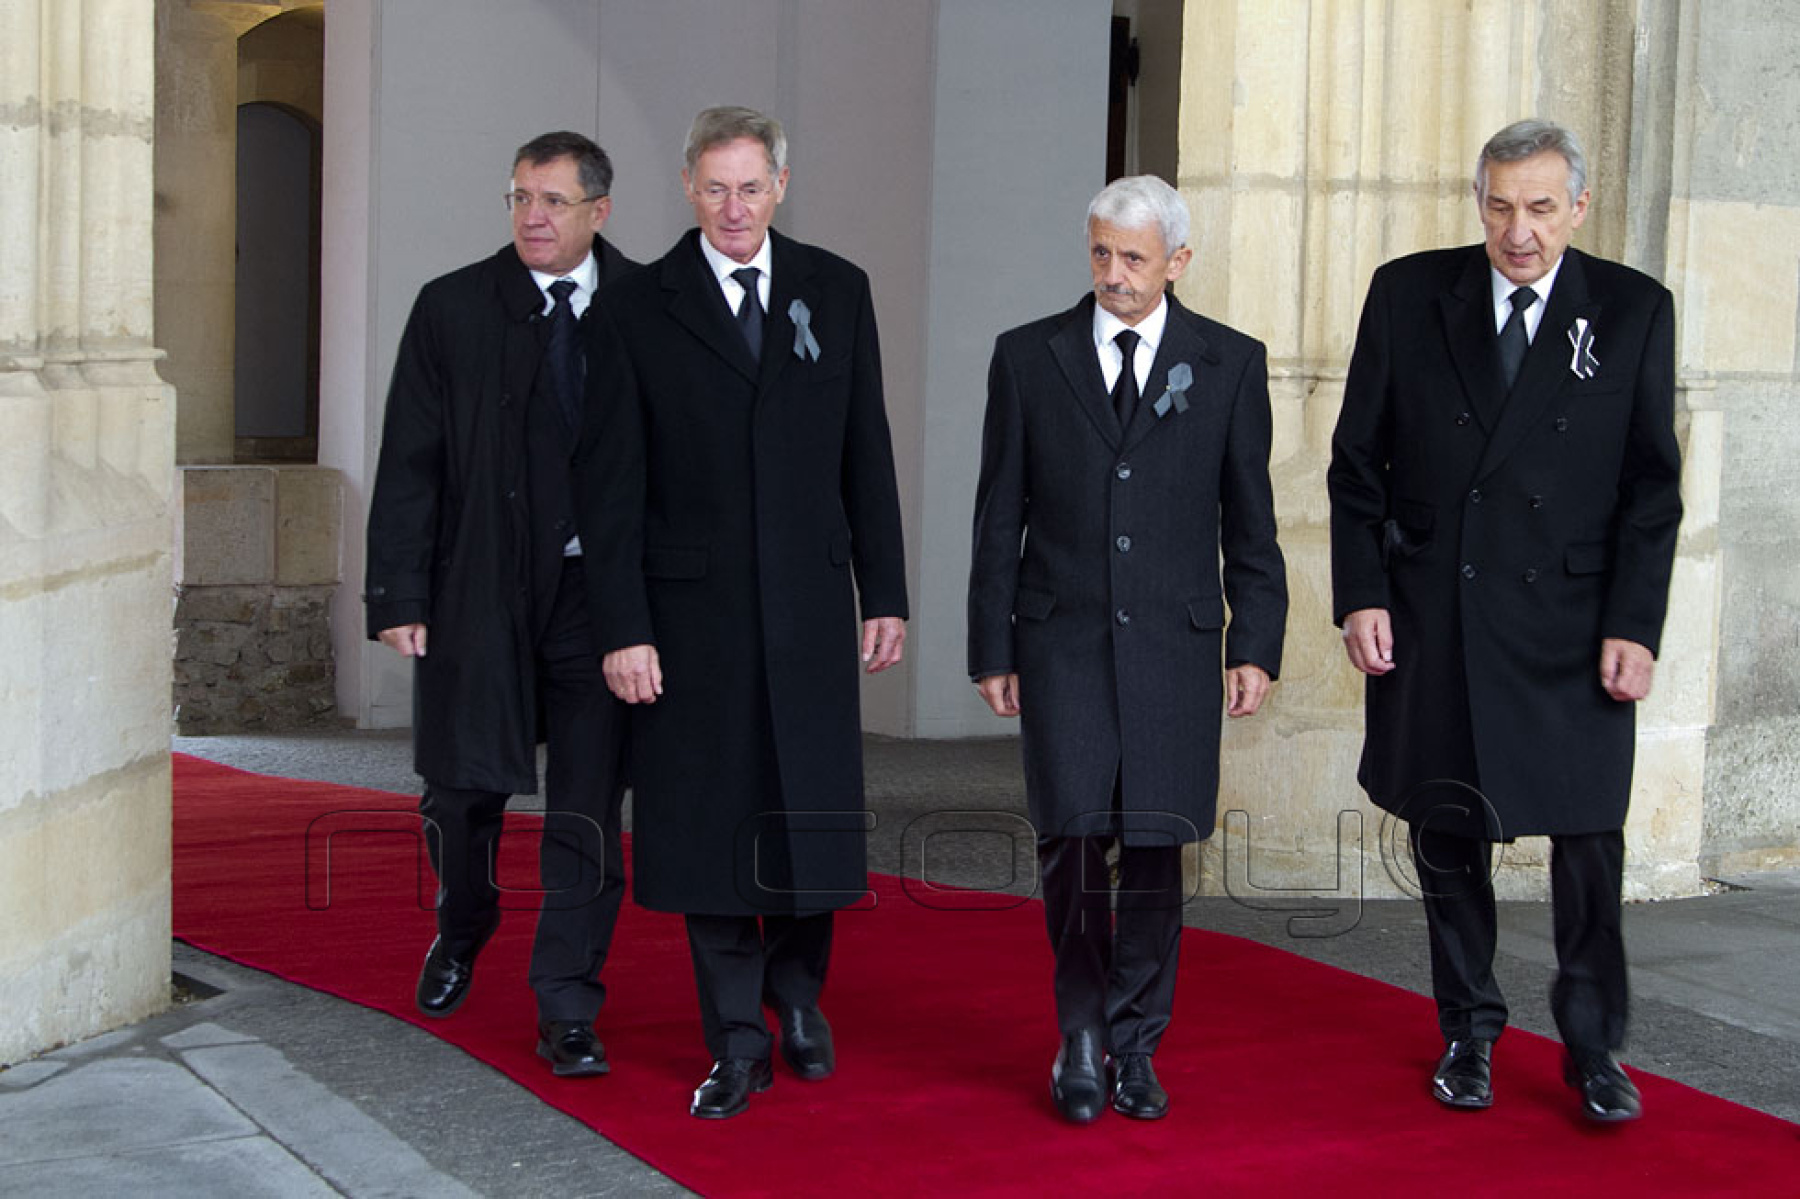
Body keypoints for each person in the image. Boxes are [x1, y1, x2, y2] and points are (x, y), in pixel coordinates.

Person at [1328, 119, 1682, 1123]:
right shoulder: (1408, 294)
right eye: (1498, 207)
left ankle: (1594, 1048)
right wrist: (1363, 592)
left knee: (1589, 839)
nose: (1517, 232)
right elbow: (1356, 466)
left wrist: (1635, 622)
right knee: (1449, 827)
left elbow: (1652, 488)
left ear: (1578, 206)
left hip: (1576, 623)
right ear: (1477, 202)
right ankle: (1469, 1030)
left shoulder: (1632, 309)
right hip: (1439, 608)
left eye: (1539, 208)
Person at [575, 106, 908, 1120]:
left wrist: (885, 592)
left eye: (751, 187)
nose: (734, 207)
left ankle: (795, 996)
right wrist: (623, 625)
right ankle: (735, 1038)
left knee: (809, 818)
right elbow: (609, 489)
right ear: (688, 187)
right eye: (716, 188)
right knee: (710, 826)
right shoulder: (634, 308)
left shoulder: (836, 290)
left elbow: (866, 451)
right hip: (691, 619)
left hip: (808, 603)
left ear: (781, 186)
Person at [967, 175, 1288, 1123]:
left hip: (1175, 648)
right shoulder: (1027, 357)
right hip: (1059, 638)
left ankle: (1137, 1043)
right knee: (1069, 837)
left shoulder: (1230, 362)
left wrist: (1255, 642)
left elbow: (1252, 522)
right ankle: (1081, 1033)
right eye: (1102, 253)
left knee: (1153, 850)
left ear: (1177, 262)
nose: (1114, 273)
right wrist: (991, 646)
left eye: (1135, 257)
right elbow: (998, 516)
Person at [364, 131, 637, 1080]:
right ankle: (464, 919)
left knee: (588, 802)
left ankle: (567, 1002)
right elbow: (410, 460)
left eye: (554, 200)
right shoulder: (451, 307)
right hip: (476, 586)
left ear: (599, 211)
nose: (533, 215)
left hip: (598, 600)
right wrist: (399, 590)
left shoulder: (648, 306)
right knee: (461, 785)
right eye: (521, 196)